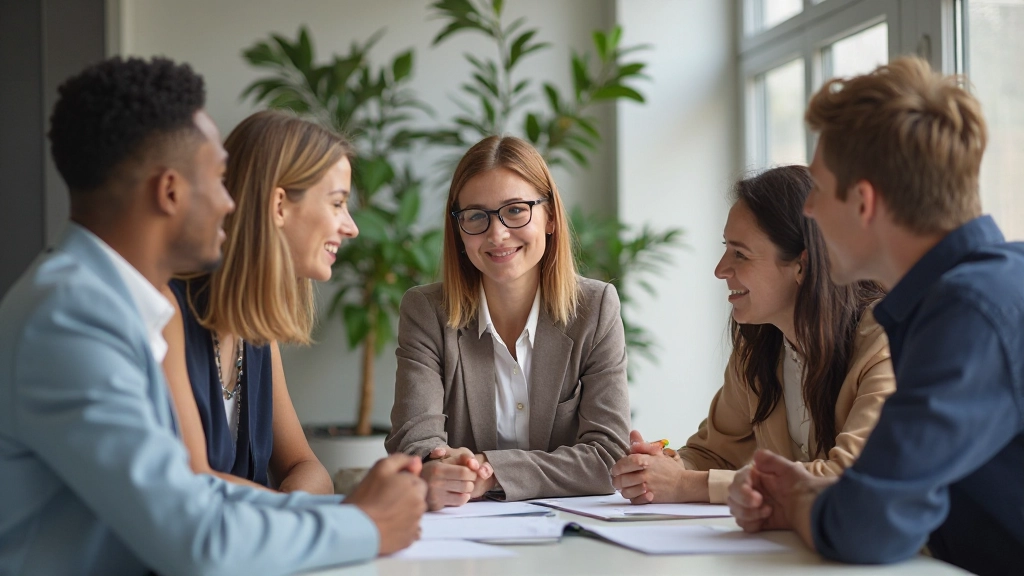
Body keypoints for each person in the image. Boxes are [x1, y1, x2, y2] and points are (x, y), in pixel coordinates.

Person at [0, 56, 425, 576]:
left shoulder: (105, 305)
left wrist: (357, 512)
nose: (232, 203)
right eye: (221, 180)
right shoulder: (71, 321)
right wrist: (366, 524)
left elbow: (192, 498)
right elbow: (194, 534)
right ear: (171, 190)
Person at [727, 56, 1024, 576]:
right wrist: (813, 496)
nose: (810, 214)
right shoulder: (972, 292)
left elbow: (869, 524)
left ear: (864, 202)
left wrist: (802, 504)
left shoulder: (967, 312)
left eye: (817, 190)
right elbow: (903, 498)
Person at [610, 166, 894, 505]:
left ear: (802, 265)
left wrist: (687, 484)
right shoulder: (758, 346)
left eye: (740, 254)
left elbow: (848, 477)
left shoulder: (883, 340)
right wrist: (661, 466)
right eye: (725, 248)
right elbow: (714, 452)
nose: (720, 269)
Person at [387, 135, 630, 508]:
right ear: (459, 228)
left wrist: (490, 471)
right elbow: (415, 448)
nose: (497, 233)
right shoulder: (426, 311)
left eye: (516, 210)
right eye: (476, 216)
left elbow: (608, 456)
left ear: (549, 217)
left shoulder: (594, 309)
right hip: (459, 542)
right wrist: (436, 473)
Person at [162, 110, 358, 494]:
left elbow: (307, 468)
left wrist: (285, 516)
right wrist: (288, 517)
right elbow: (192, 485)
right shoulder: (167, 312)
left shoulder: (255, 326)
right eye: (337, 203)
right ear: (279, 206)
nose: (350, 226)